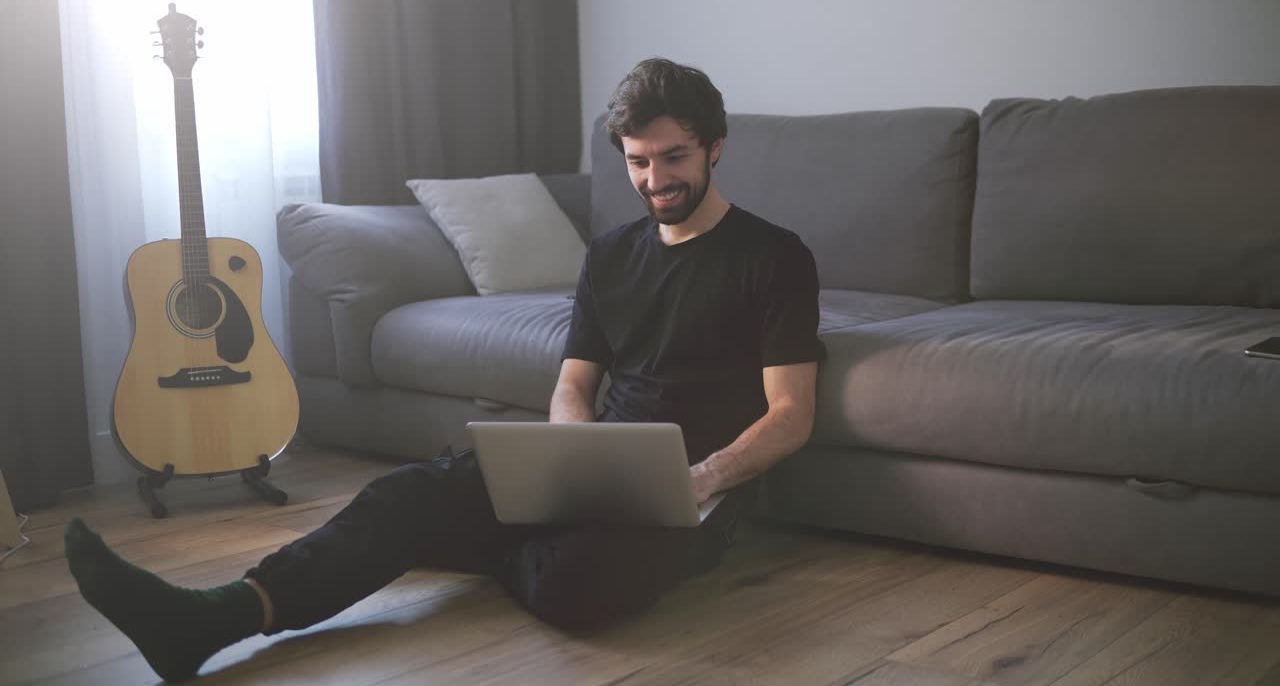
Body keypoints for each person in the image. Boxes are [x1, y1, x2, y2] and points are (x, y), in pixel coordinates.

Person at [63, 57, 823, 683]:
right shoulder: (611, 255)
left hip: (694, 497)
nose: (656, 178)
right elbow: (574, 383)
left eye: (674, 158)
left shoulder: (773, 256)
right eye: (638, 162)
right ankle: (210, 618)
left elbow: (790, 414)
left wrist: (702, 477)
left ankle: (456, 539)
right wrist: (575, 455)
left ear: (716, 146)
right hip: (598, 469)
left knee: (573, 589)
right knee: (403, 492)